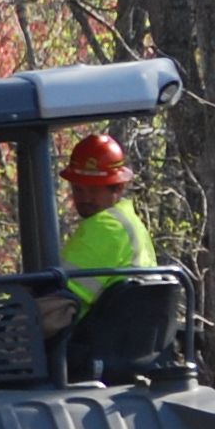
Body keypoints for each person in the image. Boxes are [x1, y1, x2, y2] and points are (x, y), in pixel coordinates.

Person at [41, 132, 153, 330]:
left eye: (94, 190)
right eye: (78, 189)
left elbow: (59, 301)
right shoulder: (131, 223)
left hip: (93, 341)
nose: (85, 198)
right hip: (123, 336)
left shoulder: (105, 226)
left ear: (118, 188)